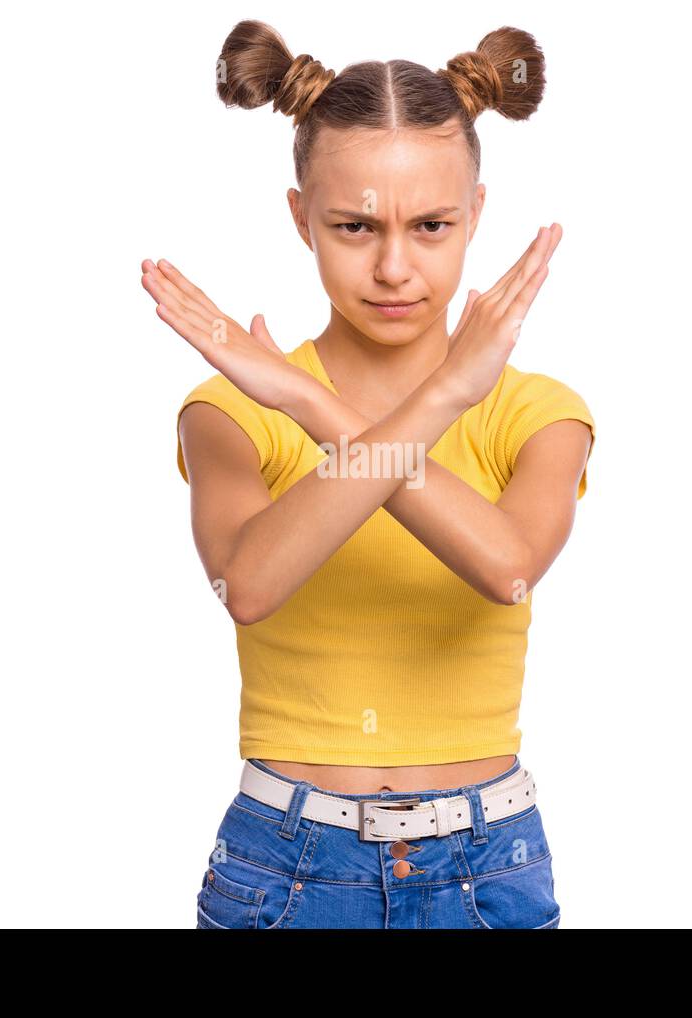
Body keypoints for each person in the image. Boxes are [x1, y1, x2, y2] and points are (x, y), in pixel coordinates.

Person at [141, 20, 595, 929]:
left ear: (476, 212)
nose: (395, 267)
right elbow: (252, 585)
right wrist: (409, 403)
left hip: (487, 862)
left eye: (432, 226)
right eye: (355, 227)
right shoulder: (230, 406)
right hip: (286, 864)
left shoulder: (536, 411)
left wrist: (315, 406)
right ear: (301, 217)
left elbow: (505, 568)